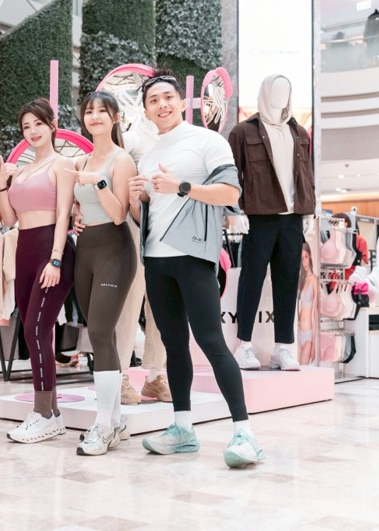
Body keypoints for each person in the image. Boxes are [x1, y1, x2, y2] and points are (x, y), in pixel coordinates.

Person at [130, 69, 264, 468]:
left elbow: (231, 193)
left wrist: (182, 187)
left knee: (211, 341)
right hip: (156, 260)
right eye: (153, 100)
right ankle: (183, 429)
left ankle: (245, 433)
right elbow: (149, 214)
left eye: (167, 97)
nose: (162, 105)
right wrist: (141, 200)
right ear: (146, 110)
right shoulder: (148, 155)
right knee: (173, 347)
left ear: (181, 101)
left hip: (193, 256)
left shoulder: (207, 141)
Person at [0, 99, 76, 443]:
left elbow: (63, 215)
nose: (32, 131)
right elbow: (8, 220)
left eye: (38, 124)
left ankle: (41, 413)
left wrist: (55, 259)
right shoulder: (22, 170)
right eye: (26, 126)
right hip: (24, 250)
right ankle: (52, 414)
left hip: (51, 250)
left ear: (52, 125)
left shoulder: (63, 164)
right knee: (35, 332)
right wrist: (2, 184)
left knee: (36, 330)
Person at [228, 74, 314, 372]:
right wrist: (234, 210)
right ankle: (243, 345)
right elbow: (231, 173)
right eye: (276, 91)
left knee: (288, 282)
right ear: (265, 93)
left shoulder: (299, 132)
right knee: (251, 279)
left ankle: (283, 348)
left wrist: (308, 211)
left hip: (292, 218)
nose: (280, 97)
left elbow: (307, 175)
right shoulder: (243, 131)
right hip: (258, 216)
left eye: (285, 92)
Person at [71, 91, 137, 456]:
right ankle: (117, 421)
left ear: (115, 118)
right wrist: (76, 217)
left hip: (115, 249)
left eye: (102, 110)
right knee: (101, 334)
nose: (94, 116)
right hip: (86, 249)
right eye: (89, 111)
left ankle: (103, 425)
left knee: (98, 330)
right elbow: (78, 207)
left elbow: (118, 213)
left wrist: (99, 182)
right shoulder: (81, 159)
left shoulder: (121, 159)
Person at [297, 242, 317, 365]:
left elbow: (314, 314)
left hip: (308, 335)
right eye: (302, 258)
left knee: (303, 368)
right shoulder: (301, 280)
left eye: (306, 257)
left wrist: (314, 344)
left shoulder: (314, 280)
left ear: (310, 257)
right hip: (298, 331)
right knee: (295, 369)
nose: (304, 261)